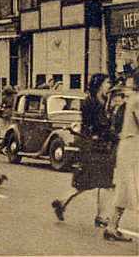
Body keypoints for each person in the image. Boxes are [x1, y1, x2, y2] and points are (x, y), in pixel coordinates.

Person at [51, 74, 116, 227]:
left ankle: (62, 202)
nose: (109, 85)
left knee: (88, 182)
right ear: (99, 84)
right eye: (107, 83)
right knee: (105, 183)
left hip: (93, 145)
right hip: (96, 146)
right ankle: (101, 217)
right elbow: (100, 125)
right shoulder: (93, 103)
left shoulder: (99, 101)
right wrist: (114, 135)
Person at [103, 70, 139, 242]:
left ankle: (112, 227)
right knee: (133, 189)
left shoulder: (132, 98)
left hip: (128, 148)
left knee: (125, 190)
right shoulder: (137, 100)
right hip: (133, 149)